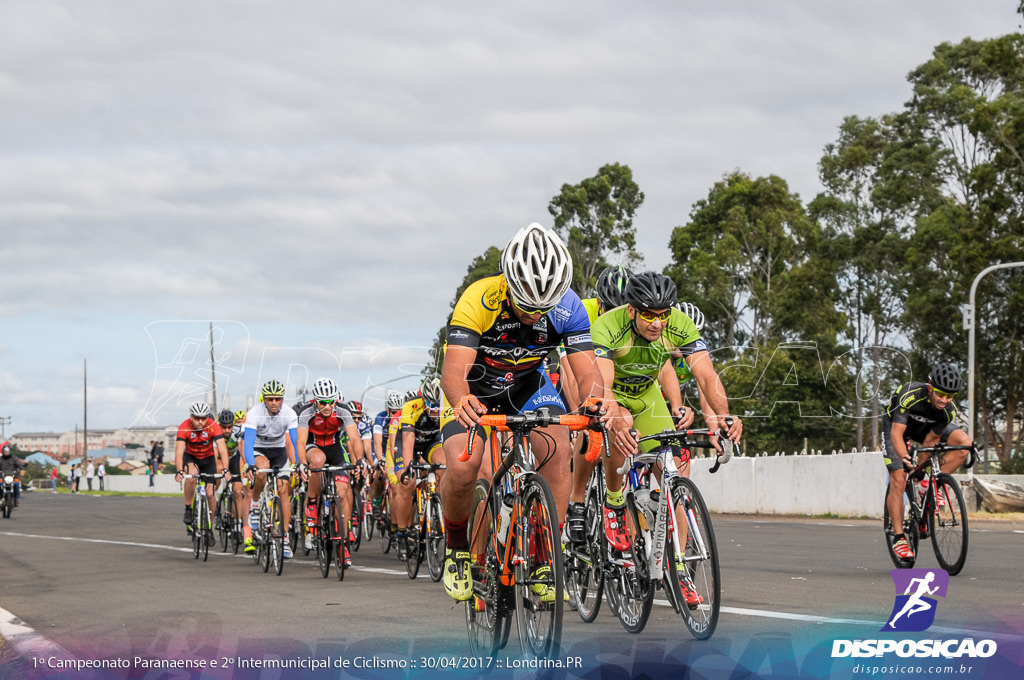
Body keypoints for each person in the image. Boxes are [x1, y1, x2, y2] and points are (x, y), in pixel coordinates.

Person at [438, 222, 603, 602]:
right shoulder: (479, 298)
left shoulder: (569, 307)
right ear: (509, 283)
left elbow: (587, 370)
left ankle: (547, 557)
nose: (534, 315)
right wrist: (461, 399)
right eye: (527, 305)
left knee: (559, 450)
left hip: (527, 387)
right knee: (465, 467)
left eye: (543, 308)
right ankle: (458, 548)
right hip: (473, 389)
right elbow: (454, 370)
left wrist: (594, 402)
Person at [590, 271, 742, 607]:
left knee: (676, 470)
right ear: (632, 311)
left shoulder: (680, 324)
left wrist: (723, 417)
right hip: (614, 395)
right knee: (621, 425)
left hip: (647, 398)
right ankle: (614, 503)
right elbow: (602, 383)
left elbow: (705, 374)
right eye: (648, 314)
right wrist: (613, 415)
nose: (657, 323)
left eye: (663, 315)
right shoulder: (608, 326)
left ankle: (679, 566)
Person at [883, 362, 973, 561]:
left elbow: (930, 441)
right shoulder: (910, 394)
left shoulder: (948, 411)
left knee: (965, 443)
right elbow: (897, 434)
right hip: (897, 426)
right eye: (941, 394)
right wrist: (906, 459)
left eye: (949, 396)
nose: (944, 400)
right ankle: (899, 538)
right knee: (898, 477)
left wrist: (923, 473)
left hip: (925, 429)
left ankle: (930, 487)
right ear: (931, 388)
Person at [295, 378, 364, 563]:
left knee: (343, 492)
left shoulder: (343, 410)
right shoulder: (306, 412)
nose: (327, 406)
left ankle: (343, 539)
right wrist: (302, 463)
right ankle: (312, 501)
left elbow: (355, 438)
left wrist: (359, 461)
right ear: (315, 400)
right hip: (313, 446)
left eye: (331, 401)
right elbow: (300, 441)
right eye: (323, 402)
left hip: (333, 449)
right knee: (318, 460)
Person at [388, 376, 445, 560]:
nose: (435, 410)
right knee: (407, 483)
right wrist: (408, 468)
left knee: (445, 468)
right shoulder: (410, 407)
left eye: (438, 406)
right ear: (423, 400)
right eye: (431, 405)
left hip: (432, 441)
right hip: (409, 441)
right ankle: (402, 533)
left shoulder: (448, 405)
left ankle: (438, 511)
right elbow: (407, 440)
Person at [242, 380, 299, 557]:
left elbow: (295, 442)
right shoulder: (254, 414)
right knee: (262, 470)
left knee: (284, 490)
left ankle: (285, 540)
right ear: (264, 399)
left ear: (282, 399)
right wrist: (250, 464)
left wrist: (298, 463)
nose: (274, 402)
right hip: (259, 450)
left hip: (279, 451)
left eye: (277, 398)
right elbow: (248, 443)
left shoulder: (289, 414)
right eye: (270, 399)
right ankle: (256, 503)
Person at [173, 402, 230, 534]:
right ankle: (188, 508)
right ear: (191, 417)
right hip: (191, 457)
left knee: (210, 493)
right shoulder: (184, 427)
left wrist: (226, 469)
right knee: (192, 476)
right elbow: (179, 451)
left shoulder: (213, 426)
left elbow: (222, 448)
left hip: (208, 459)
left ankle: (209, 525)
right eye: (197, 418)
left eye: (203, 418)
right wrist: (179, 470)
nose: (200, 421)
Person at [0, 443, 26, 507]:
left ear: (10, 451)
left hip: (13, 477)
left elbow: (20, 465)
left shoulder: (14, 458)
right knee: (0, 484)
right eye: (5, 452)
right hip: (2, 477)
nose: (6, 453)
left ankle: (15, 499)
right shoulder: (0, 459)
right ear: (3, 452)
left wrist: (22, 470)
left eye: (8, 451)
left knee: (17, 485)